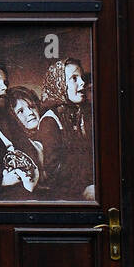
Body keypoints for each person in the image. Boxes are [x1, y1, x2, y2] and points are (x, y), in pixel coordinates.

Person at [37, 58, 95, 200]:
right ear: (60, 84)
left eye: (81, 78)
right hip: (67, 195)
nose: (82, 83)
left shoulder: (80, 114)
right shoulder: (50, 121)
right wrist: (84, 187)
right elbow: (55, 171)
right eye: (74, 78)